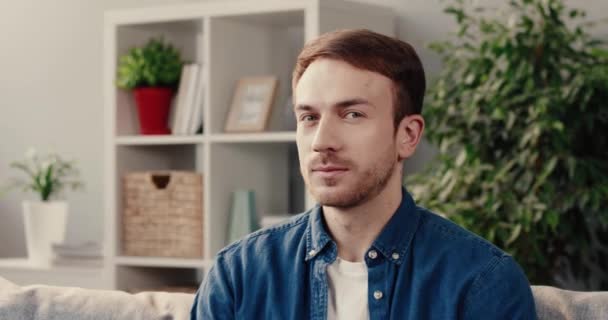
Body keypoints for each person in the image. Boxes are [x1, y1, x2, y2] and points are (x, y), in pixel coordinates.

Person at [191, 29, 536, 320]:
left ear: (408, 135)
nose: (322, 142)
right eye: (309, 118)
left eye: (352, 114)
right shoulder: (238, 276)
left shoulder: (481, 282)